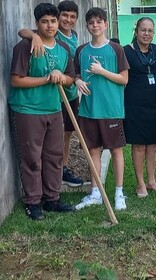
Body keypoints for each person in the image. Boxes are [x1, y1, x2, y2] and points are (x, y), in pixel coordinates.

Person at [8, 3, 75, 220]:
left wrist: (60, 77)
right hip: (28, 110)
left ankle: (52, 199)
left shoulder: (63, 49)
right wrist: (46, 79)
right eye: (44, 22)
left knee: (54, 156)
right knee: (32, 158)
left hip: (54, 109)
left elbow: (70, 78)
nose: (50, 26)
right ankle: (33, 202)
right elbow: (16, 80)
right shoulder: (25, 46)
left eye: (53, 21)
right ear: (37, 23)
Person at [18, 0, 84, 187]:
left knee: (67, 132)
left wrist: (70, 79)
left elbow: (71, 69)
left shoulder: (72, 36)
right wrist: (33, 36)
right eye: (64, 16)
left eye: (72, 17)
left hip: (68, 90)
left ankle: (62, 168)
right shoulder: (45, 34)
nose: (67, 20)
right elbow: (23, 31)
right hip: (50, 96)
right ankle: (50, 177)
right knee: (52, 137)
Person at [73, 7, 130, 210]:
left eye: (99, 21)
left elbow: (124, 79)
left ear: (106, 24)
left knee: (116, 151)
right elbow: (76, 75)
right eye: (91, 22)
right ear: (87, 26)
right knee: (93, 151)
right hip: (88, 110)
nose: (95, 25)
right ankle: (96, 192)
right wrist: (77, 81)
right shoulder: (81, 50)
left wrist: (102, 71)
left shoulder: (115, 49)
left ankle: (119, 192)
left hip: (111, 109)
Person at [123, 17, 156, 198]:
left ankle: (151, 181)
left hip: (153, 105)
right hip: (134, 105)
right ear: (136, 30)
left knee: (153, 145)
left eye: (150, 31)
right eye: (143, 30)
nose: (146, 34)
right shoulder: (126, 51)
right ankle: (140, 183)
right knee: (139, 145)